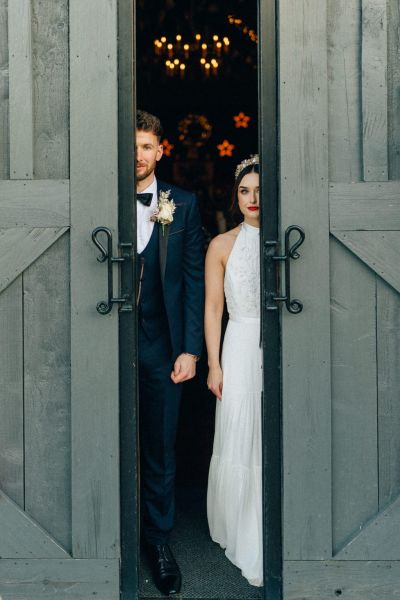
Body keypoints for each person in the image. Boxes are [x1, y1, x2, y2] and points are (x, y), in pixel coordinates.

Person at [136, 110, 204, 595]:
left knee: (160, 446)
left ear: (161, 151)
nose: (137, 155)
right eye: (131, 145)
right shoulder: (96, 197)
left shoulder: (182, 202)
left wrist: (190, 350)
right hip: (107, 341)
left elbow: (194, 282)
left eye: (145, 146)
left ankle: (159, 542)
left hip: (163, 346)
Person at [205, 156, 263, 587]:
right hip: (239, 342)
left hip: (279, 342)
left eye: (259, 190)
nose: (252, 199)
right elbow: (212, 308)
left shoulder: (285, 238)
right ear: (235, 195)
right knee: (241, 429)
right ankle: (239, 520)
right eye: (245, 191)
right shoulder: (222, 245)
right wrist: (214, 363)